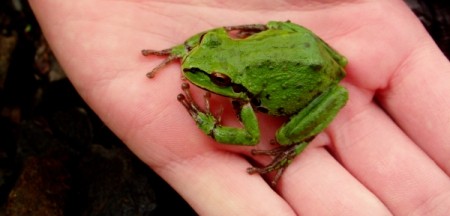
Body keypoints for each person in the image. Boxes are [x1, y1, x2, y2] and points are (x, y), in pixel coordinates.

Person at [29, 0, 450, 215]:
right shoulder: (215, 43)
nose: (197, 70)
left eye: (218, 82)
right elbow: (212, 37)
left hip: (313, 83)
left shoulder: (244, 103)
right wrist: (182, 48)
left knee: (279, 134)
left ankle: (293, 146)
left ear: (231, 87)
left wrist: (206, 122)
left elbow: (248, 135)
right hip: (302, 45)